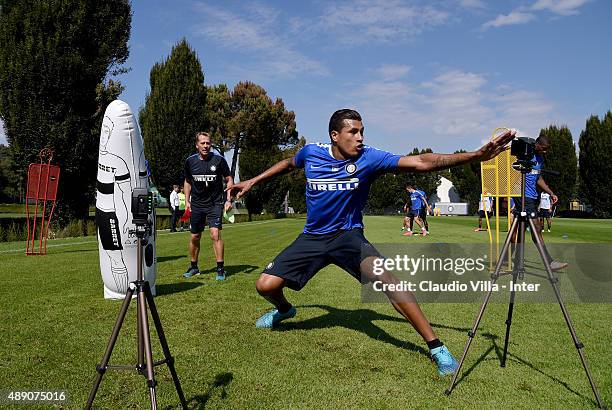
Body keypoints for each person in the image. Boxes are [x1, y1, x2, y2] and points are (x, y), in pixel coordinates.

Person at [228, 109, 514, 376]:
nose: (360, 137)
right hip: (313, 237)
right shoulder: (311, 153)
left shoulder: (369, 158)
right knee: (264, 286)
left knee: (388, 280)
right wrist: (252, 181)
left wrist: (475, 156)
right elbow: (289, 163)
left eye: (362, 131)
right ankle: (284, 310)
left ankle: (436, 346)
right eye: (353, 132)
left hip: (347, 237)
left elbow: (422, 162)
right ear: (335, 136)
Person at [183, 132, 234, 281]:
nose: (206, 146)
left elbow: (229, 179)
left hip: (215, 203)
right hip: (197, 204)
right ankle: (193, 267)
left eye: (208, 143)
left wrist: (228, 199)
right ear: (197, 145)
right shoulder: (190, 161)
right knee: (195, 236)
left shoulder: (219, 160)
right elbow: (187, 181)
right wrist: (187, 200)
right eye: (203, 143)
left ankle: (220, 269)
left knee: (215, 235)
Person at [512, 135, 566, 270]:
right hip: (522, 195)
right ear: (537, 144)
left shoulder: (540, 159)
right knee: (536, 228)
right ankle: (549, 262)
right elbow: (513, 171)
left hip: (531, 197)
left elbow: (538, 177)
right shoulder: (525, 155)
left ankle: (512, 260)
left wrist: (551, 192)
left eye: (547, 149)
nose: (545, 151)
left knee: (520, 230)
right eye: (543, 148)